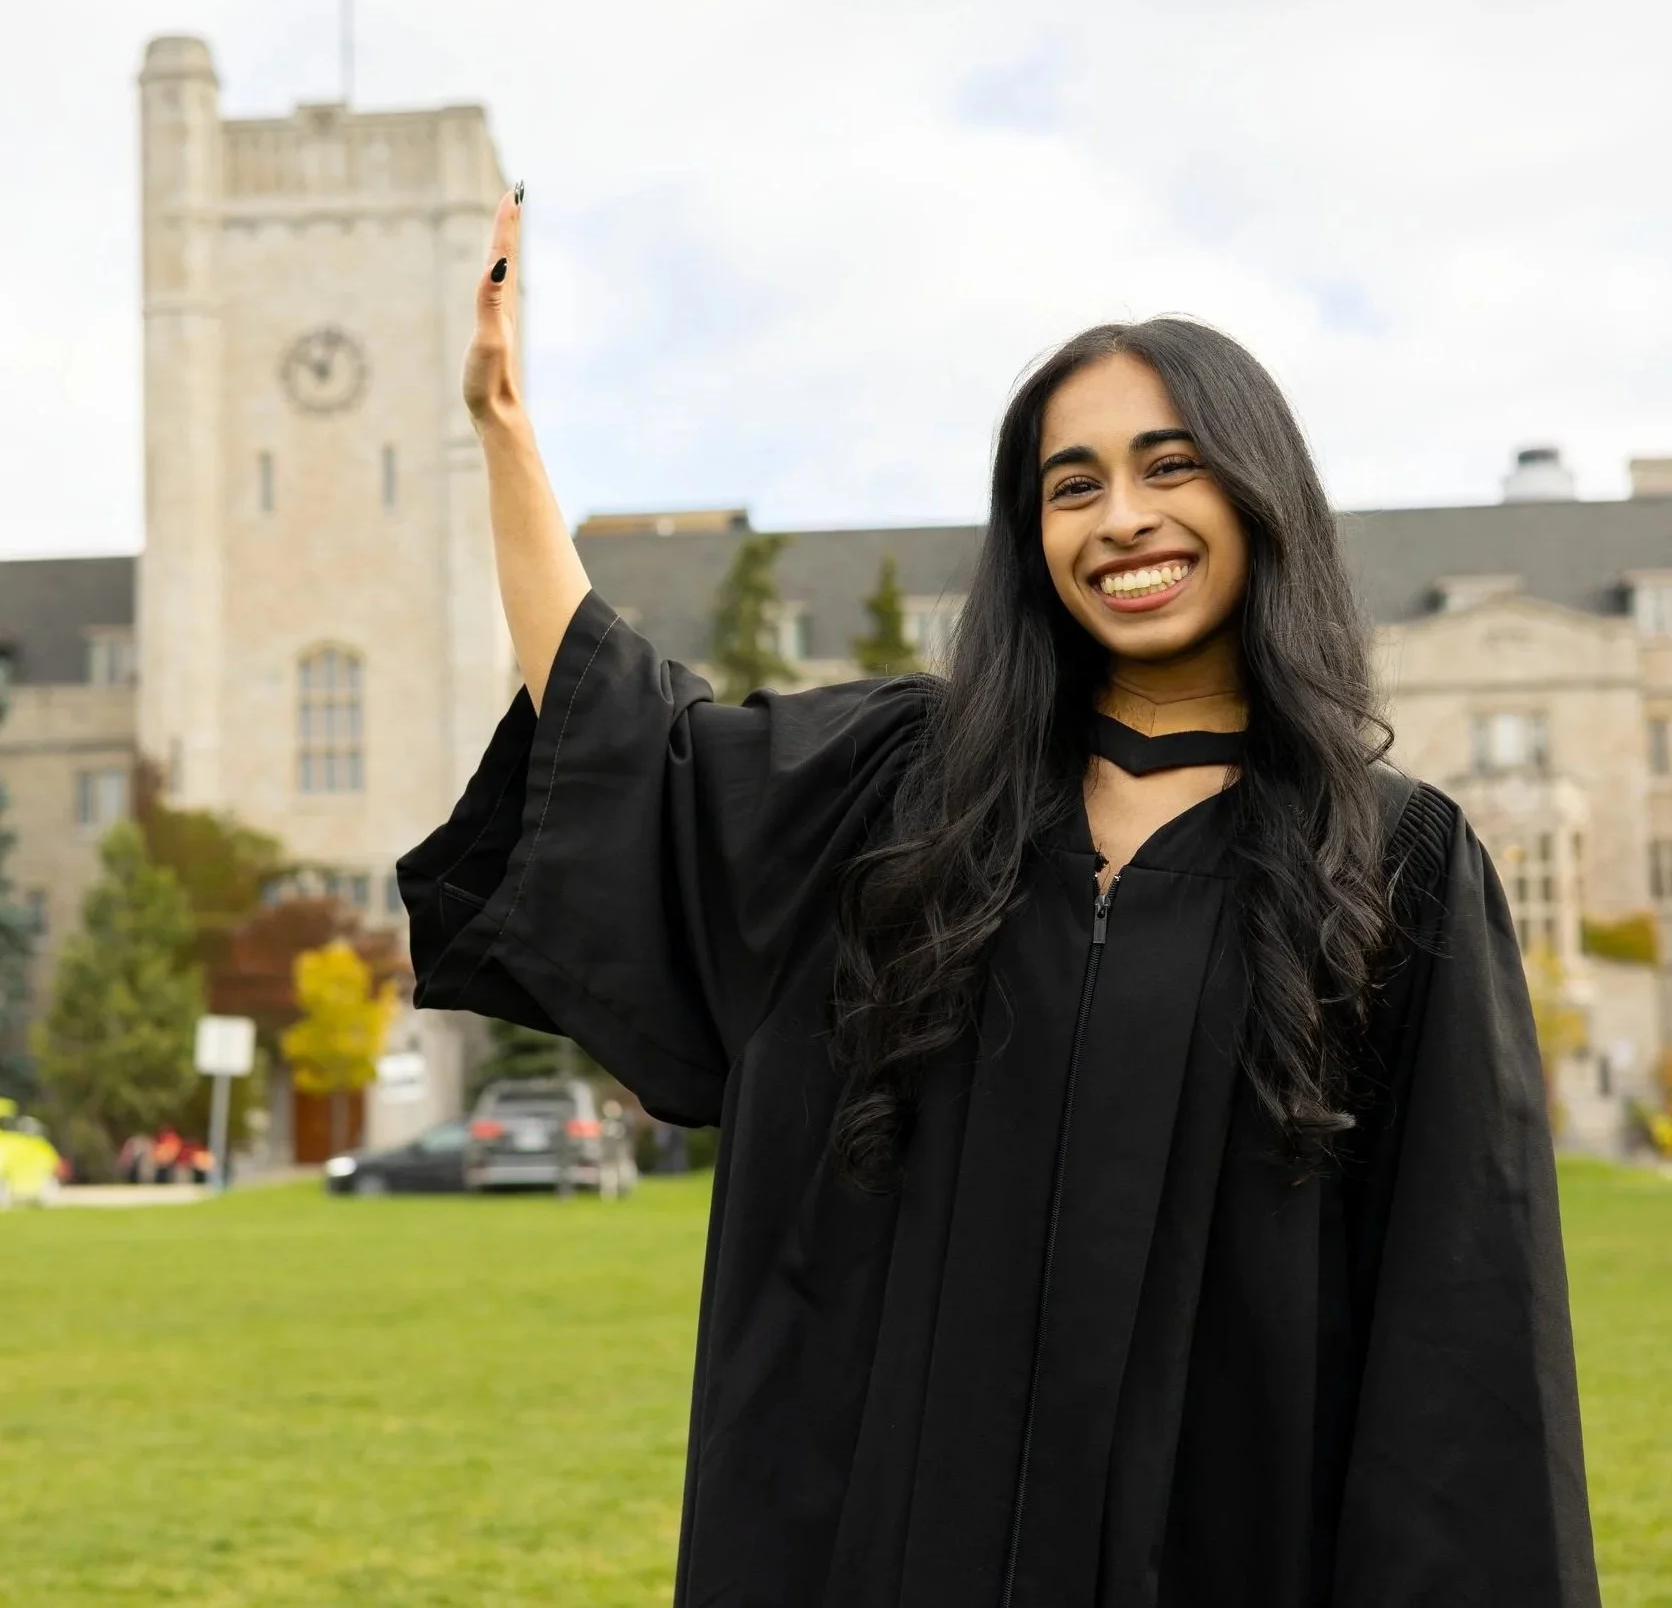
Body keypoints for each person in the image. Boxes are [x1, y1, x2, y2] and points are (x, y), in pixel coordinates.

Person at [397, 190, 1600, 1607]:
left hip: (1229, 1546)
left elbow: (1463, 1311)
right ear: (1030, 536)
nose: (1125, 517)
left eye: (1171, 467)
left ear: (1259, 495)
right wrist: (508, 440)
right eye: (1073, 484)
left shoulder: (1392, 861)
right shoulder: (909, 794)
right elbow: (631, 748)